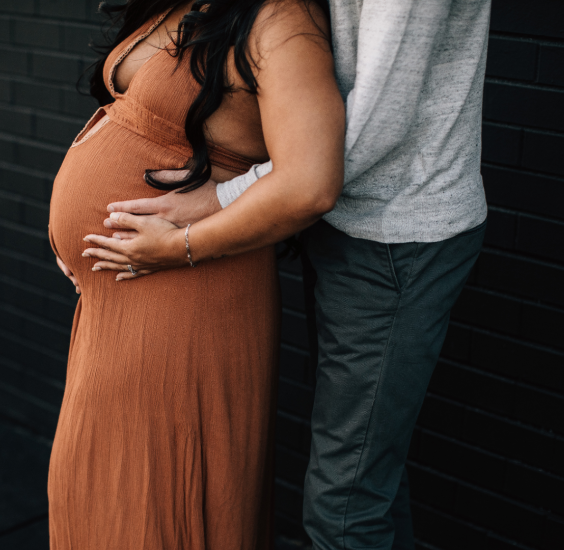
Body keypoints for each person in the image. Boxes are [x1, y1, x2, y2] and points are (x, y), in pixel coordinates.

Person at [78, 1, 493, 548]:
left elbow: (372, 126)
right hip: (349, 219)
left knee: (342, 510)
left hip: (396, 230)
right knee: (367, 475)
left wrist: (221, 200)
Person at [46, 0, 344, 548]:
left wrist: (178, 247)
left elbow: (311, 182)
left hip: (189, 290)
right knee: (97, 489)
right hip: (119, 297)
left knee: (151, 498)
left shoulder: (282, 19)